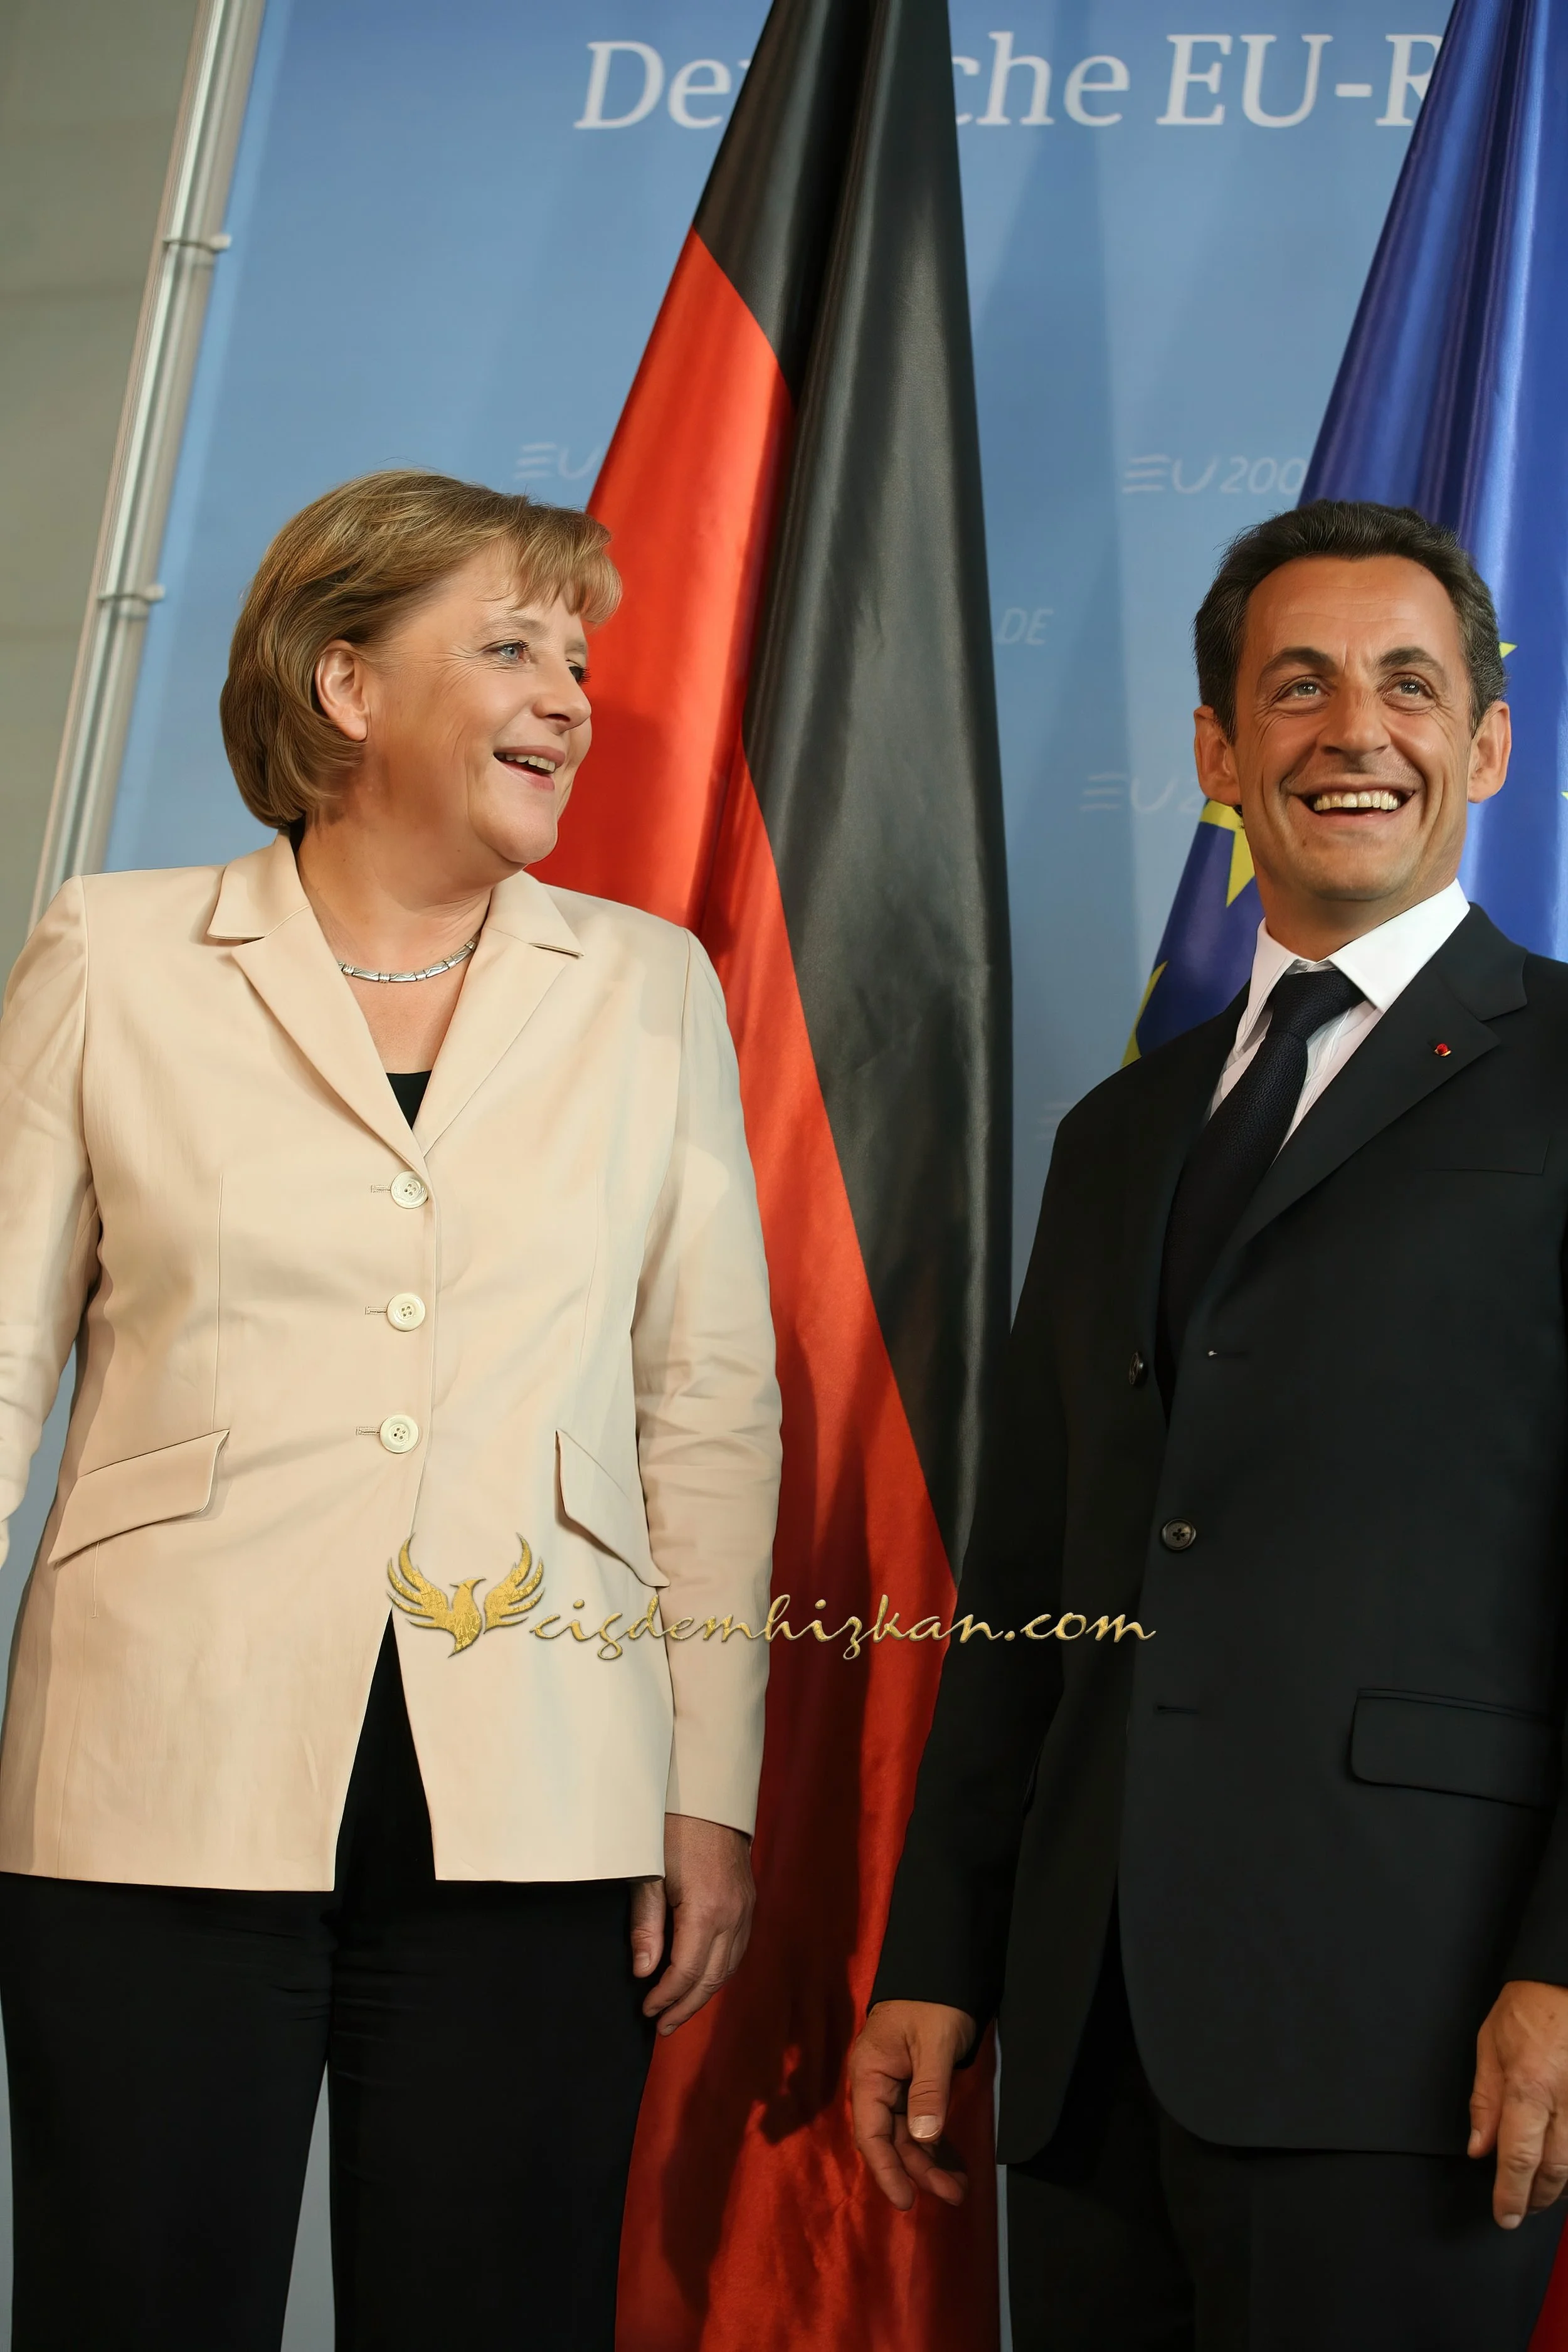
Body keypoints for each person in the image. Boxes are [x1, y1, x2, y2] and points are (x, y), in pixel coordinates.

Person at [0, 469, 781, 2352]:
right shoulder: (117, 950)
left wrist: (705, 1786)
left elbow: (705, 1409)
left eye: (577, 659)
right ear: (346, 684)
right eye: (512, 647)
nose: (569, 697)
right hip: (149, 1777)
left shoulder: (650, 988)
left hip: (543, 1789)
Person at [850, 500, 1568, 2349]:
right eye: (1297, 686)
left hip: (1412, 2019)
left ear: (1487, 743)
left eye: (1409, 686)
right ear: (1218, 752)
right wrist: (940, 1953)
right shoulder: (1118, 1138)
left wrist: (1565, 1968)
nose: (1355, 731)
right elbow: (1031, 1579)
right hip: (1089, 2030)